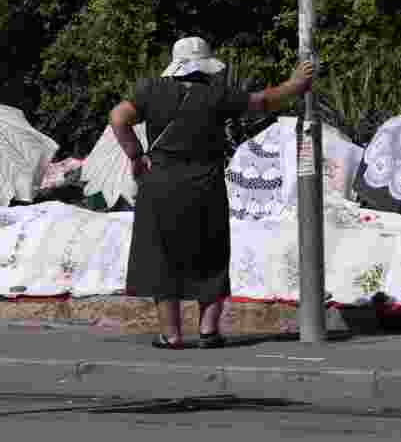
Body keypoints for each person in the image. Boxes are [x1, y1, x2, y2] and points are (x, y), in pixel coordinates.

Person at [109, 36, 315, 349]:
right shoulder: (218, 95)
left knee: (162, 256)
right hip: (204, 183)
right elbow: (261, 102)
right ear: (205, 65)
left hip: (160, 181)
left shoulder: (150, 90)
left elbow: (118, 118)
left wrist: (136, 155)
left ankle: (172, 334)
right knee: (211, 254)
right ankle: (208, 332)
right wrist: (295, 84)